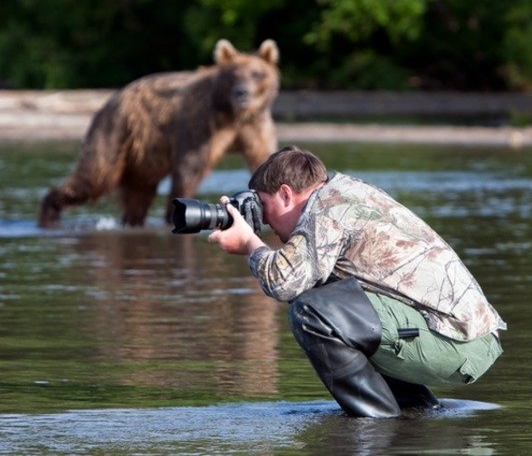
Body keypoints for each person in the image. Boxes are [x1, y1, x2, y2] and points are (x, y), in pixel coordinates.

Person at [208, 146, 506, 418]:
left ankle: (377, 424)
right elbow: (300, 280)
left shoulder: (327, 209)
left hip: (459, 341)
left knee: (312, 312)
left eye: (262, 206)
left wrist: (249, 242)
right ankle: (415, 413)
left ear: (286, 194)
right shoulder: (344, 192)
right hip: (464, 337)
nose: (265, 221)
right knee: (329, 302)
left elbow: (282, 282)